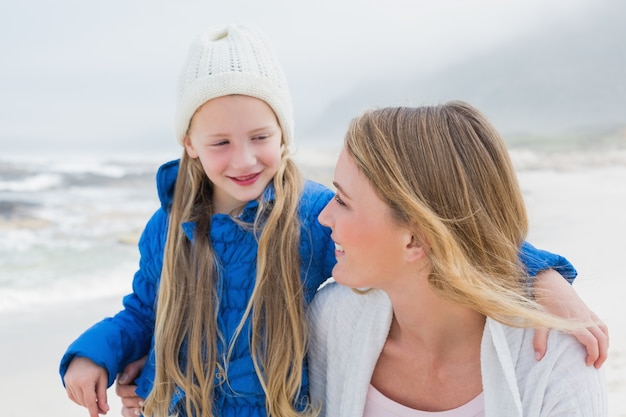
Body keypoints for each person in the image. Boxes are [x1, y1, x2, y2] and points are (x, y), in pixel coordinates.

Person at [58, 24, 600, 417]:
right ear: (189, 145)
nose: (244, 160)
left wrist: (543, 275)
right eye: (220, 142)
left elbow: (449, 228)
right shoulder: (166, 230)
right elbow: (144, 312)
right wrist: (100, 355)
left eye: (260, 138)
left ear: (283, 135)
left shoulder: (310, 217)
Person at [307, 102, 608, 416]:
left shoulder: (557, 359)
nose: (324, 216)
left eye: (342, 200)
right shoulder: (332, 322)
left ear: (415, 239)